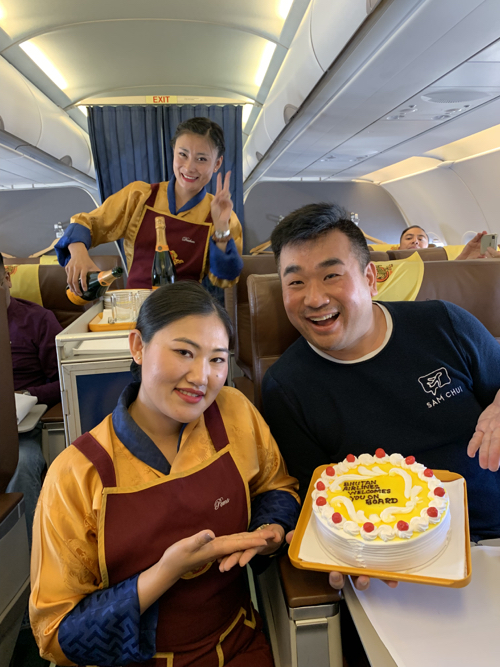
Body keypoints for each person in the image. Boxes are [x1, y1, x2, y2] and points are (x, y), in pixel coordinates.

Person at [30, 281, 300, 667]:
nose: (201, 377)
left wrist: (270, 528)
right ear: (138, 346)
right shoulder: (77, 473)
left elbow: (276, 486)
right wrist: (165, 573)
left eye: (217, 359)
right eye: (184, 352)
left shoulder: (234, 411)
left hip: (241, 645)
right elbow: (54, 633)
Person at [261, 203, 500, 592]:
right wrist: (336, 551)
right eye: (296, 282)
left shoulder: (444, 323)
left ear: (370, 278)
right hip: (396, 564)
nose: (314, 298)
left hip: (493, 535)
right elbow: (317, 498)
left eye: (332, 275)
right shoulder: (286, 388)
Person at [56, 117, 244, 294]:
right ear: (173, 153)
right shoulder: (139, 197)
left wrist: (221, 230)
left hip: (186, 310)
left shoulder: (223, 216)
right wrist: (78, 253)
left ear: (217, 163)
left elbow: (224, 279)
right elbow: (88, 224)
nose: (189, 167)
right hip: (137, 307)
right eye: (183, 154)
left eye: (201, 159)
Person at [0, 254, 62, 547]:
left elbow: (62, 380)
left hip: (23, 429)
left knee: (22, 466)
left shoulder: (38, 320)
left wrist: (29, 396)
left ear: (7, 279)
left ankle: (33, 564)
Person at [399, 224, 500, 258]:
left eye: (420, 239)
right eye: (408, 238)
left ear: (428, 246)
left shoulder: (437, 264)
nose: (415, 241)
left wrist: (463, 260)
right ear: (398, 248)